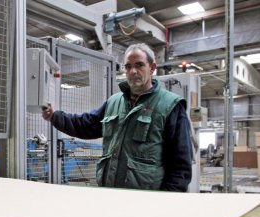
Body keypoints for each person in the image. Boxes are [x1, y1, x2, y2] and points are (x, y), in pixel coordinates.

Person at [42, 43, 192, 192]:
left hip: (147, 201)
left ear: (152, 68)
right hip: (110, 194)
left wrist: (165, 201)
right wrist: (55, 116)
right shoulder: (114, 102)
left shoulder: (170, 106)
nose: (133, 71)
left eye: (139, 65)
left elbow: (181, 165)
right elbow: (86, 125)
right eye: (128, 66)